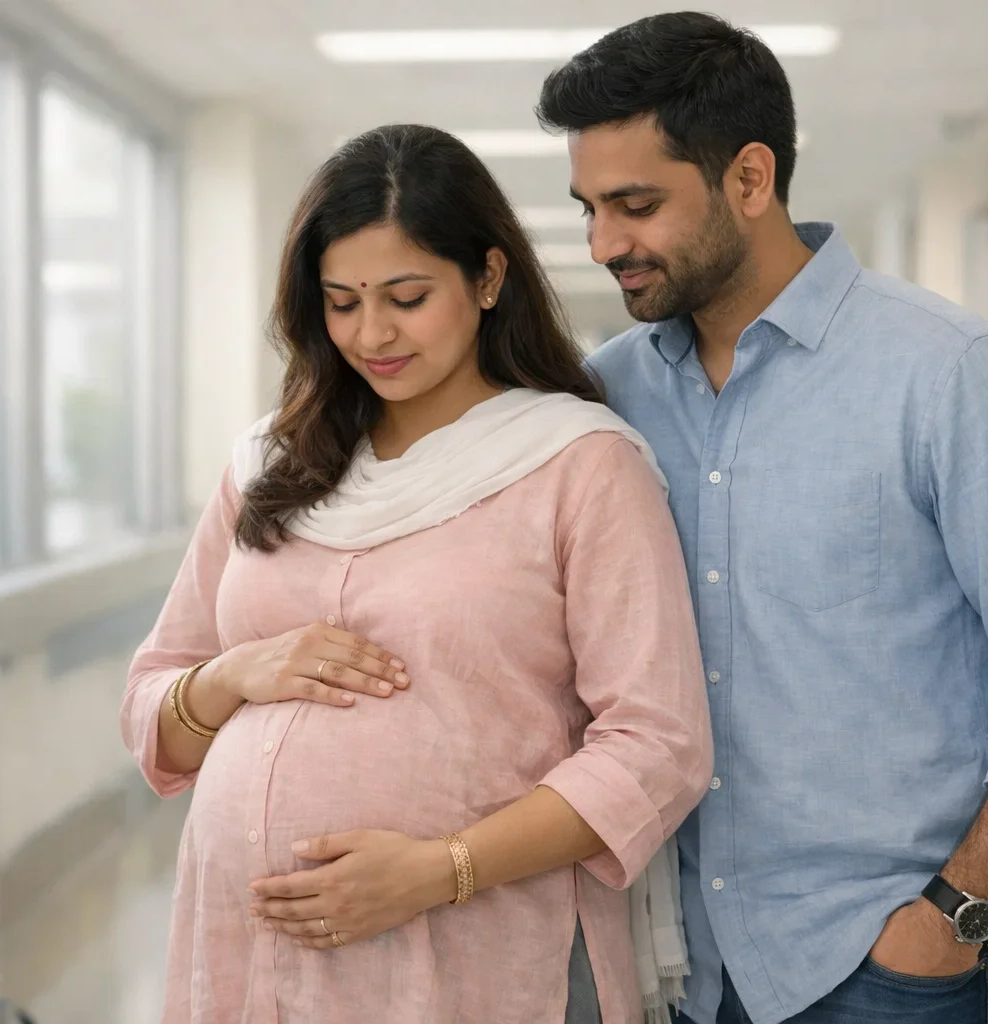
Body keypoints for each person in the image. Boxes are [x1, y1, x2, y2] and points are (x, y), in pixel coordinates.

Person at [537, 13, 988, 1024]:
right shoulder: (604, 404)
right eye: (588, 210)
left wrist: (950, 917)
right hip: (679, 973)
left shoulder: (950, 376)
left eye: (636, 204)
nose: (606, 244)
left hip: (893, 973)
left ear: (749, 178)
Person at [119, 123, 713, 1024]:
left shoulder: (577, 464)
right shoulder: (268, 462)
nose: (372, 333)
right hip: (254, 957)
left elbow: (659, 746)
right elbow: (152, 709)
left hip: (486, 952)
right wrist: (233, 674)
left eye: (406, 296)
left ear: (487, 279)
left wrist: (443, 870)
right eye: (342, 301)